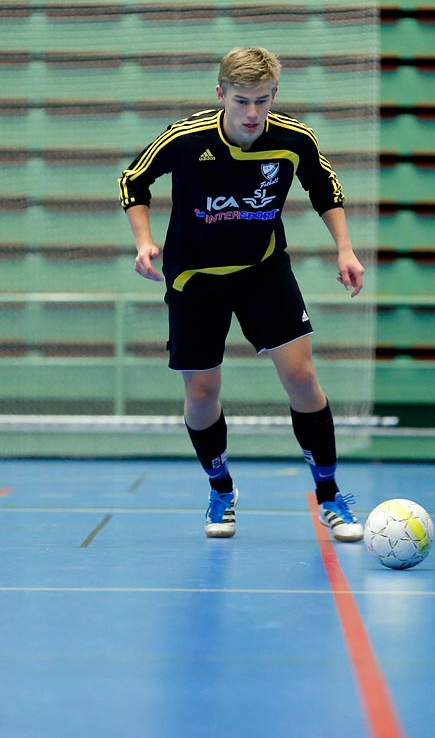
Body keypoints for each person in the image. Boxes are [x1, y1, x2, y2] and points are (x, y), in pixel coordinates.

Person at [119, 45, 368, 542]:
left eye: (263, 100)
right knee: (202, 392)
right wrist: (144, 241)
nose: (253, 112)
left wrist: (345, 250)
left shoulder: (294, 139)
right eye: (242, 101)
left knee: (301, 377)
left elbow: (326, 190)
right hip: (195, 279)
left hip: (262, 270)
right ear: (221, 95)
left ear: (275, 95)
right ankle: (221, 489)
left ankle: (329, 493)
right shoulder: (185, 138)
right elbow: (134, 182)